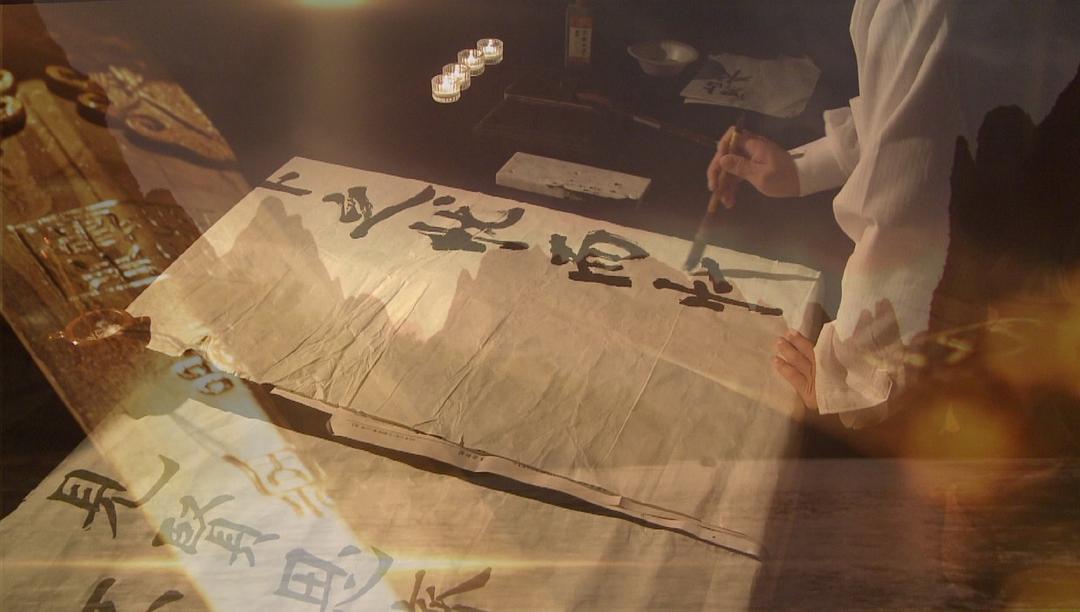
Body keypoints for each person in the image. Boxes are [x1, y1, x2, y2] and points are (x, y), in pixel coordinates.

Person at [706, 0, 1079, 427]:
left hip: (1028, 311)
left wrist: (849, 378)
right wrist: (802, 168)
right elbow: (922, 103)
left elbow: (909, 208)